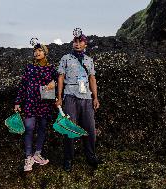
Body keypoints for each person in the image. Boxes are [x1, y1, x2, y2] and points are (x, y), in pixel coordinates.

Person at [55, 29, 102, 172]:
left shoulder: (89, 60)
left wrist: (95, 97)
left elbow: (92, 78)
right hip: (70, 96)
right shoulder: (66, 58)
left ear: (85, 44)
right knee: (69, 129)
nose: (77, 43)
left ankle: (91, 155)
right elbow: (61, 77)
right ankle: (68, 159)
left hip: (86, 98)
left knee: (90, 129)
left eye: (80, 41)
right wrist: (59, 96)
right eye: (75, 41)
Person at [14, 42, 57, 172]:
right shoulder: (29, 67)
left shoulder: (51, 68)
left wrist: (53, 83)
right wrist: (17, 102)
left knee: (43, 128)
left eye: (40, 50)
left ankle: (37, 154)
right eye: (35, 51)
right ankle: (28, 157)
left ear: (45, 52)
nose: (37, 53)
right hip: (30, 102)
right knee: (29, 127)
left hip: (45, 103)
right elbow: (23, 85)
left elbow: (60, 81)